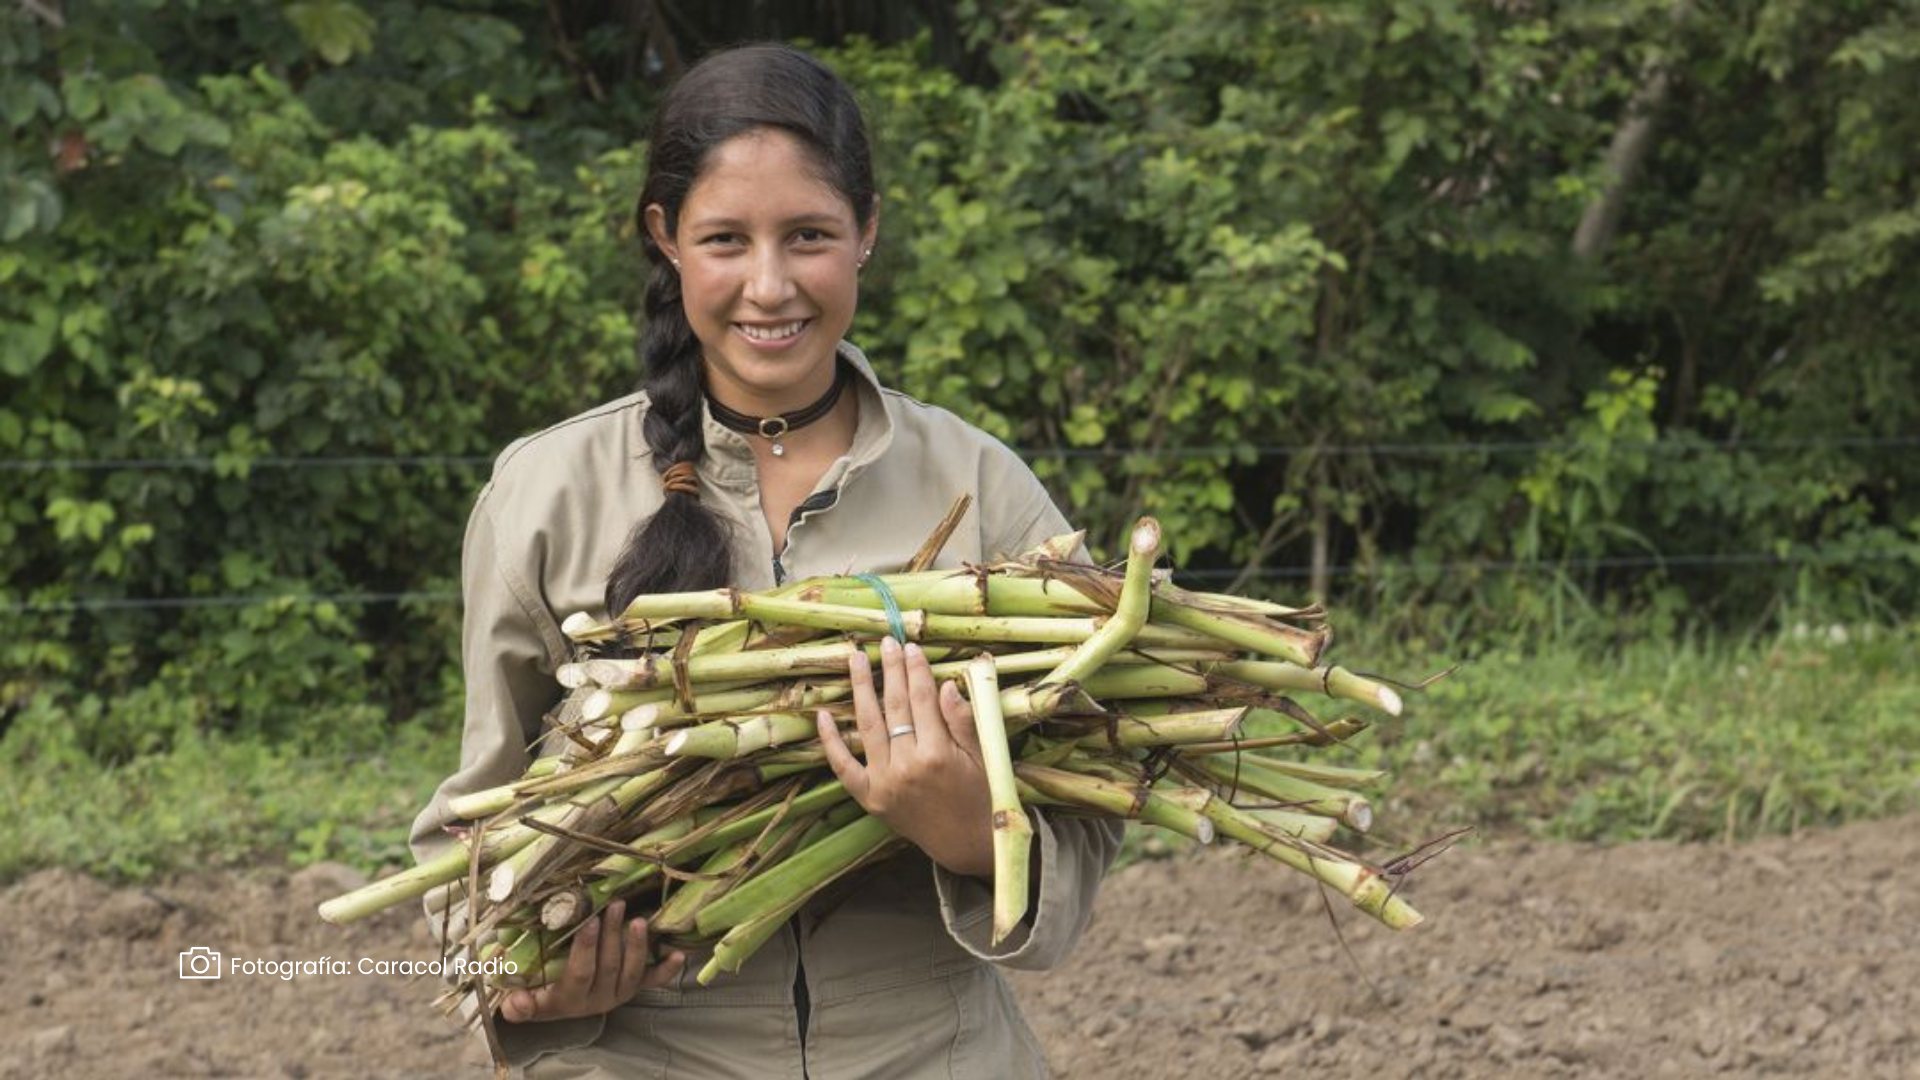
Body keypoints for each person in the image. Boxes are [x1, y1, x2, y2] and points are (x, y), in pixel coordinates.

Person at [409, 42, 1123, 1079]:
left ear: (869, 230)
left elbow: (1088, 820)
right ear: (666, 240)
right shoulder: (546, 493)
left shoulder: (980, 484)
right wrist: (529, 978)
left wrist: (971, 830)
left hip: (936, 1052)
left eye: (811, 236)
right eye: (725, 240)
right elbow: (471, 831)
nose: (770, 285)